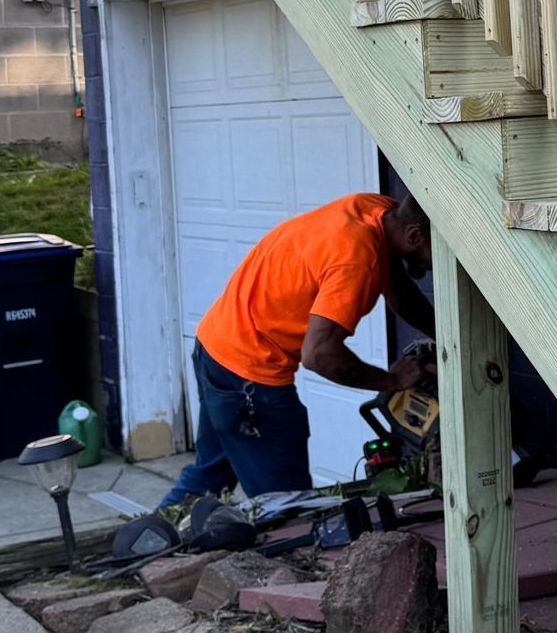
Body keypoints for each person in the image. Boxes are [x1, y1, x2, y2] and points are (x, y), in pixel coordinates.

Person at [160, 190, 434, 508]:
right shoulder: (357, 259)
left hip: (215, 348)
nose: (433, 266)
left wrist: (443, 337)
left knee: (208, 478)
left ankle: (145, 545)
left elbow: (398, 289)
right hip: (252, 379)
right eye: (435, 254)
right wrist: (390, 381)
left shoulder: (376, 210)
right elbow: (319, 355)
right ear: (414, 235)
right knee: (289, 506)